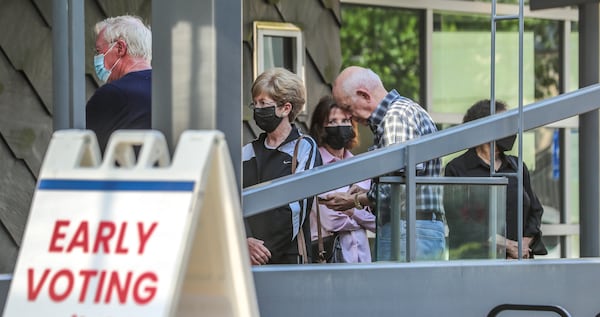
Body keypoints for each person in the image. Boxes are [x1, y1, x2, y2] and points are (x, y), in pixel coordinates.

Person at [322, 66, 445, 261]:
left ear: (364, 95)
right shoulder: (404, 110)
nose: (349, 117)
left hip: (407, 229)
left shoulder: (395, 118)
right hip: (415, 228)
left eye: (347, 107)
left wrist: (355, 200)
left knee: (396, 292)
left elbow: (398, 189)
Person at [444, 99, 547, 259]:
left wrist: (522, 246)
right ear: (484, 128)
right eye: (503, 124)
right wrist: (507, 245)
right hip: (476, 263)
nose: (510, 130)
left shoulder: (517, 166)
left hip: (517, 263)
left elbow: (535, 211)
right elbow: (460, 222)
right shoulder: (458, 169)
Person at [242, 67, 322, 265]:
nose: (258, 109)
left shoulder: (304, 148)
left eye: (264, 103)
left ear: (286, 108)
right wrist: (245, 240)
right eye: (256, 103)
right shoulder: (247, 152)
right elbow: (234, 201)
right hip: (246, 256)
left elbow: (297, 206)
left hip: (289, 258)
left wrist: (264, 251)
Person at [309, 95, 375, 263]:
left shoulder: (358, 165)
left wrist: (350, 209)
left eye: (345, 121)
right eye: (333, 122)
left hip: (362, 258)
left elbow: (378, 222)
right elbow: (331, 221)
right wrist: (360, 208)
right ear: (321, 127)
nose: (340, 126)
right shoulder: (315, 165)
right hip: (330, 258)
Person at [86, 15, 152, 154]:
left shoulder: (112, 95)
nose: (97, 58)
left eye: (99, 51)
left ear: (120, 48)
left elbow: (87, 155)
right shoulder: (170, 91)